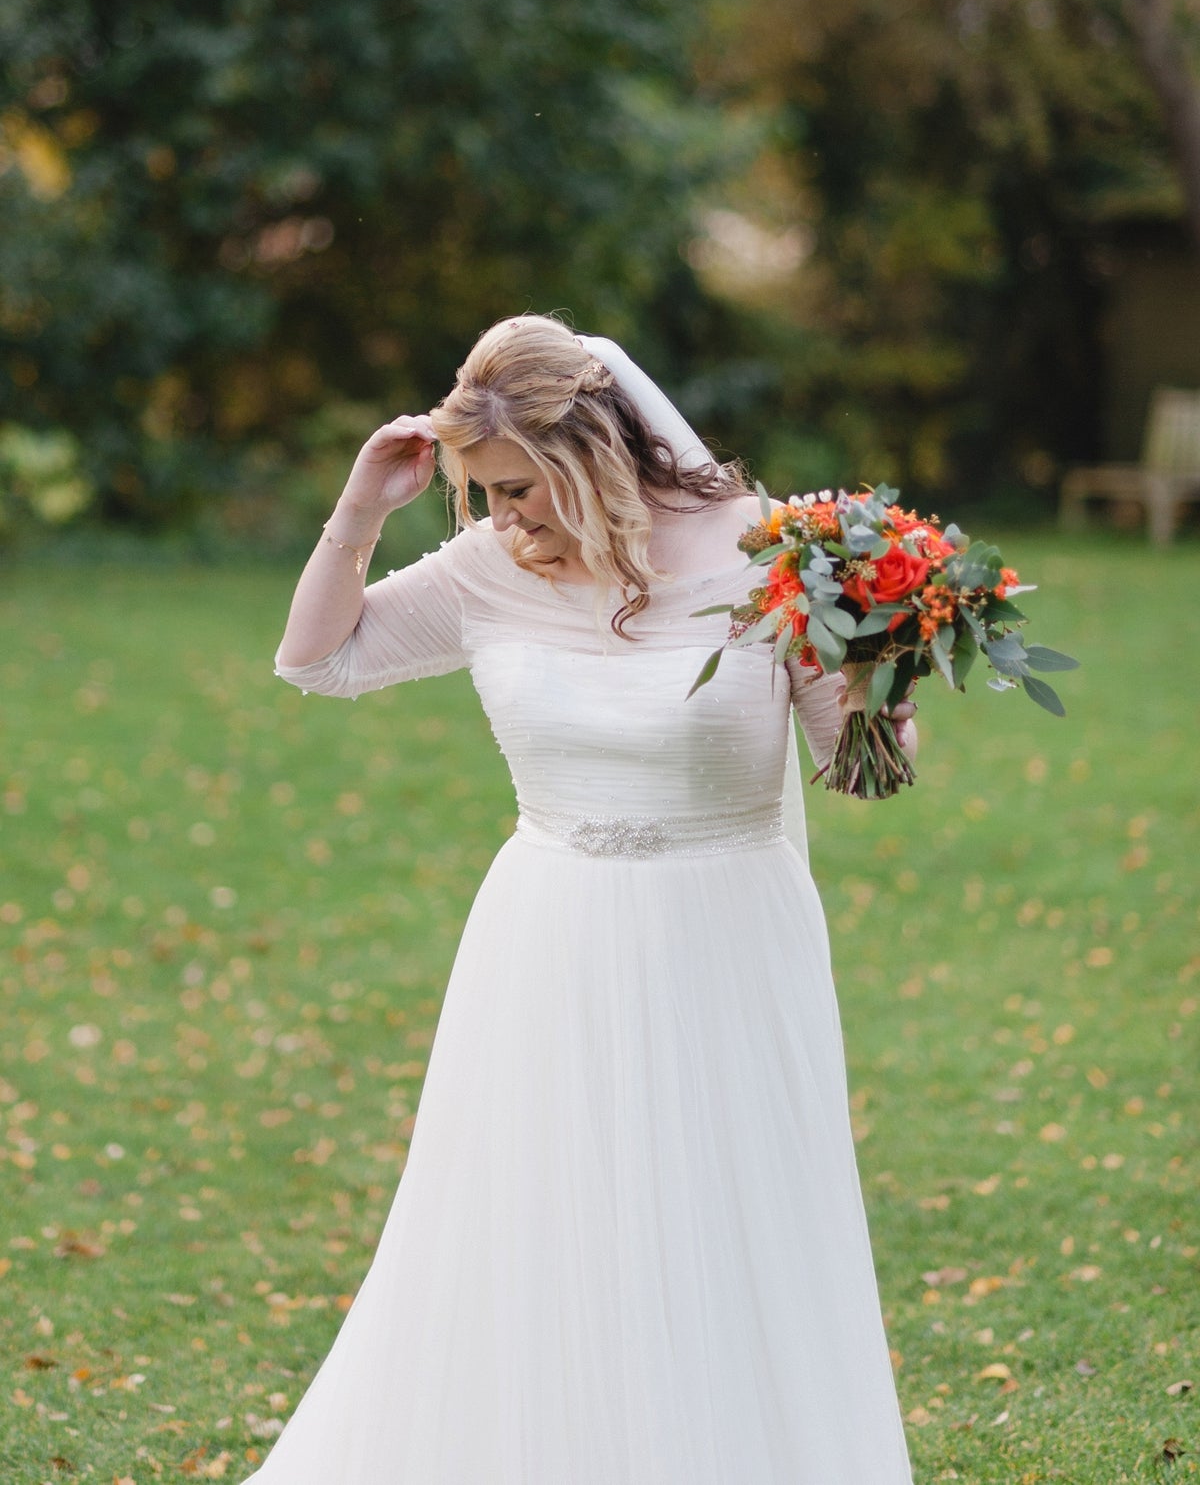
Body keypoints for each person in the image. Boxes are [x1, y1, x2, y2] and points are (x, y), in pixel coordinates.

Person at [246, 314, 917, 1485]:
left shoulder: (774, 551)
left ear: (590, 456)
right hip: (546, 938)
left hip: (728, 937)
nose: (505, 516)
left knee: (719, 1219)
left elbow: (862, 770)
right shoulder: (489, 569)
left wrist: (880, 644)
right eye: (485, 493)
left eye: (518, 488)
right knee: (545, 1225)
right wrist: (360, 511)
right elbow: (319, 657)